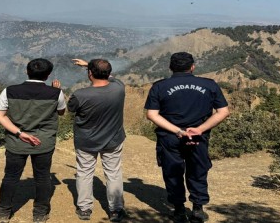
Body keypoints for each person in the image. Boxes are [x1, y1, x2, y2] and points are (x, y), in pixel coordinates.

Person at [144, 52, 230, 223]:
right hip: (198, 137)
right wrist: (199, 129)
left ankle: (178, 211)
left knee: (172, 172)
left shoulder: (160, 86)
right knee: (198, 170)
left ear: (170, 67)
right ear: (192, 67)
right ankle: (198, 209)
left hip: (170, 137)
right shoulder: (209, 85)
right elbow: (223, 112)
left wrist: (178, 131)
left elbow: (152, 115)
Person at [0, 58, 66, 223]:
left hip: (16, 142)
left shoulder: (9, 91)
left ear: (27, 71)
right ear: (47, 76)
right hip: (44, 142)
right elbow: (61, 113)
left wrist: (19, 133)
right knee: (42, 177)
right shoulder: (56, 93)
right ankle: (39, 214)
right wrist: (57, 91)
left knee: (10, 176)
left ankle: (4, 212)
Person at [68, 58, 127, 222]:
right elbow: (112, 78)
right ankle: (115, 210)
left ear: (90, 74)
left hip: (87, 141)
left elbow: (71, 109)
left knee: (84, 173)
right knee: (113, 173)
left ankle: (85, 209)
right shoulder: (119, 88)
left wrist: (89, 67)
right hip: (113, 139)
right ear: (108, 74)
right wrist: (90, 65)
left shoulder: (80, 95)